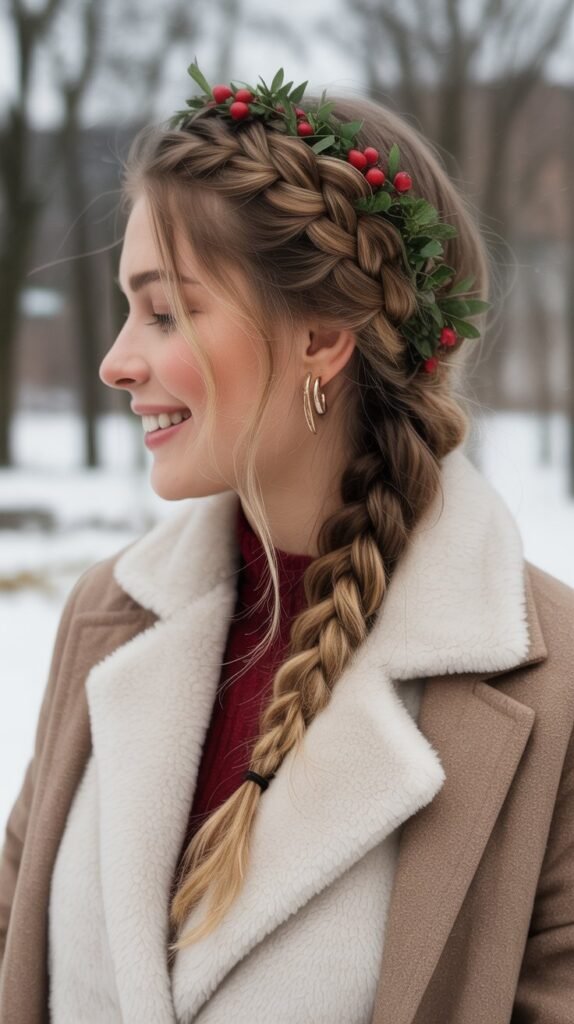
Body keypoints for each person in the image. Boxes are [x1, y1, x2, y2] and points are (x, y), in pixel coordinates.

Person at [1, 61, 573, 1024]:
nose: (115, 361)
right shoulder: (108, 615)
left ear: (322, 339)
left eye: (168, 310)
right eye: (125, 307)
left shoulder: (546, 686)